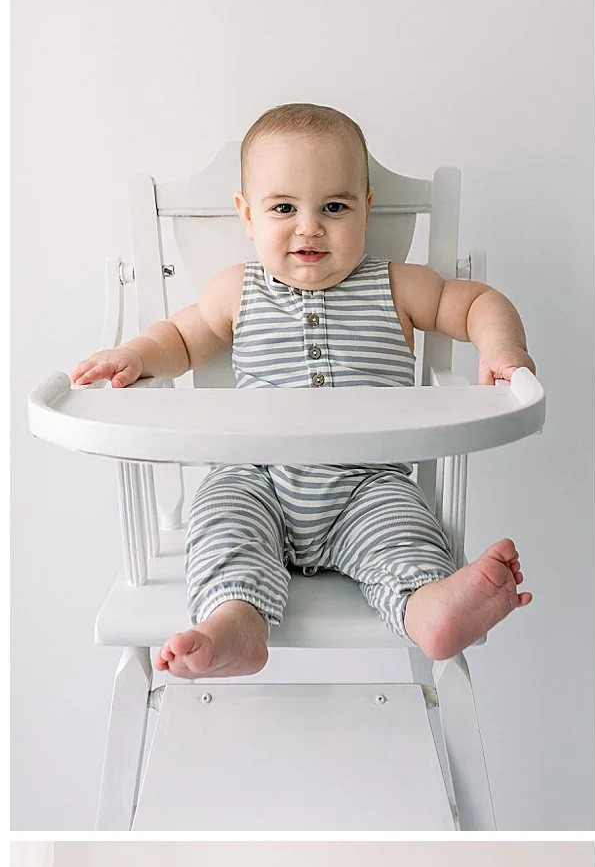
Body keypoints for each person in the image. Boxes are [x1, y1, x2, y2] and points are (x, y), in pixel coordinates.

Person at [72, 102, 535, 679]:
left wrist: (501, 350)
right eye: (284, 207)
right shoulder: (236, 291)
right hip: (256, 477)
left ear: (367, 208)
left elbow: (478, 302)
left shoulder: (398, 285)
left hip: (366, 483)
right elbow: (179, 339)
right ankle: (236, 624)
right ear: (247, 215)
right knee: (220, 521)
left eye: (334, 207)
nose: (309, 226)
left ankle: (428, 609)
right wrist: (134, 355)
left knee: (404, 533)